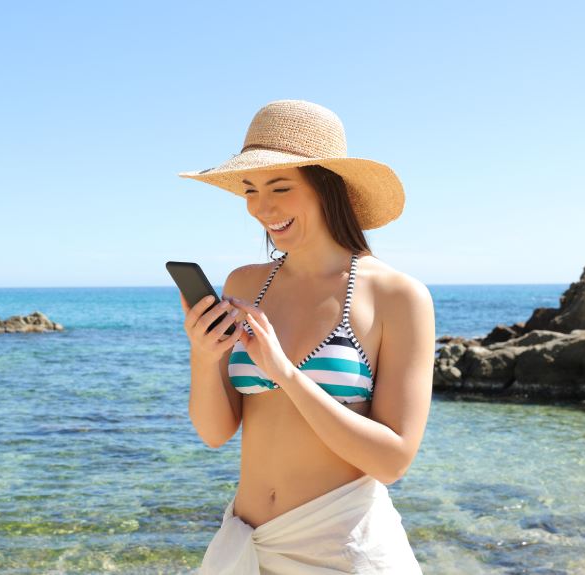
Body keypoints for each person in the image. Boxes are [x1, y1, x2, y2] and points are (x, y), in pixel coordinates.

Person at [176, 99, 434, 574]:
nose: (261, 208)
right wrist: (202, 355)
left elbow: (393, 461)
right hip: (246, 543)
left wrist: (286, 374)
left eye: (279, 187)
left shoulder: (397, 295)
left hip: (342, 549)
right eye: (250, 190)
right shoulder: (245, 284)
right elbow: (216, 434)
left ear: (326, 188)